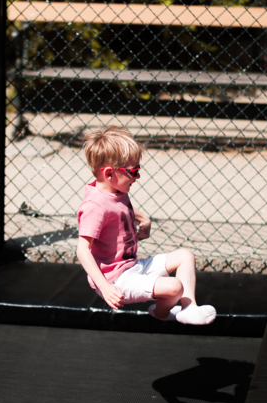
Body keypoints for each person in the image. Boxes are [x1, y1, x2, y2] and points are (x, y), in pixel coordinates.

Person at [76, 126, 216, 325]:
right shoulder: (94, 207)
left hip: (131, 266)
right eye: (134, 172)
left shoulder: (115, 190)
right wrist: (105, 287)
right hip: (115, 279)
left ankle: (189, 308)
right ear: (109, 174)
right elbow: (82, 250)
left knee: (186, 256)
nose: (137, 177)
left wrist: (144, 219)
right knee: (175, 287)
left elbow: (120, 206)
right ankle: (161, 312)